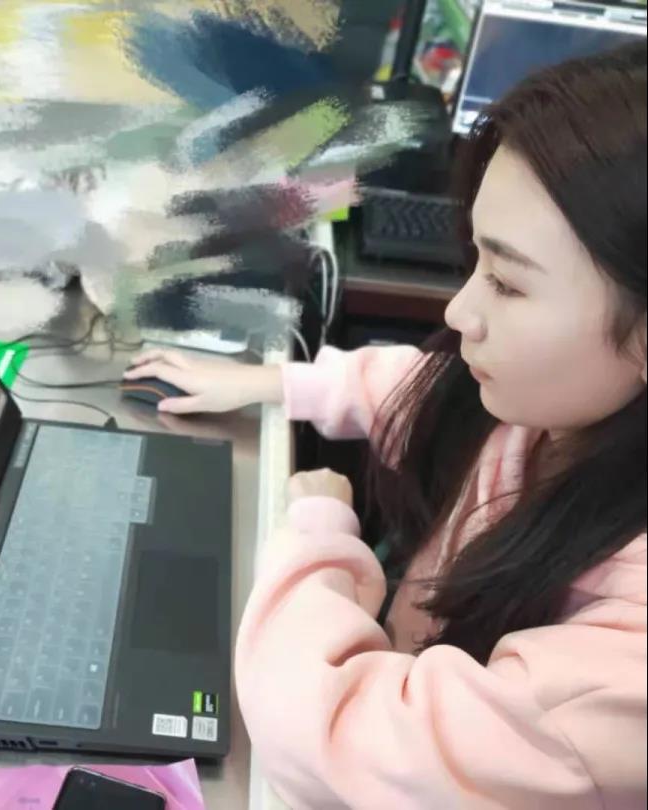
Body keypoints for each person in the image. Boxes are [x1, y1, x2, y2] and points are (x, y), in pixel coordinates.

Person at [125, 44, 647, 808]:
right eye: (475, 263)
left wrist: (317, 536)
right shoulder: (553, 413)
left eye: (507, 283)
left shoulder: (625, 665)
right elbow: (421, 387)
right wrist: (274, 383)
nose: (460, 311)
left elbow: (329, 737)